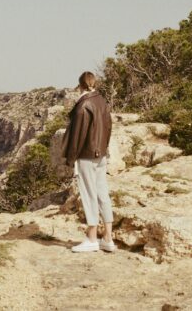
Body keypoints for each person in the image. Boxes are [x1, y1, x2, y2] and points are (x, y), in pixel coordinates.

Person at [61, 71, 116, 253]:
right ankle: (108, 238)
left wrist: (70, 158)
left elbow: (77, 136)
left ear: (80, 86)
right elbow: (108, 127)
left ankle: (92, 238)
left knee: (89, 194)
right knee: (102, 194)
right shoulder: (101, 101)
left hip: (86, 155)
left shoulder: (83, 105)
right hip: (100, 153)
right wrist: (104, 148)